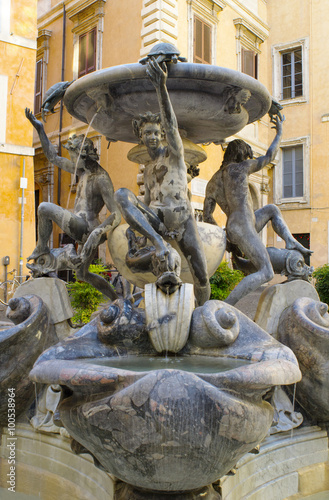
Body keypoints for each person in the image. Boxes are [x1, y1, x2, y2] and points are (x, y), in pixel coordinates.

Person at [114, 58, 210, 305]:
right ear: (141, 136)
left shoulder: (175, 154)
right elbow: (144, 202)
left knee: (201, 274)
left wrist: (161, 88)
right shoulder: (147, 170)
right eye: (148, 134)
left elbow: (171, 122)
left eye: (157, 133)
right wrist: (142, 235)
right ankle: (159, 245)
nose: (153, 137)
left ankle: (204, 313)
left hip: (182, 219)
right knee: (123, 195)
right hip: (158, 223)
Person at [203, 115, 312, 305]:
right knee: (267, 272)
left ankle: (290, 242)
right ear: (240, 156)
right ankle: (225, 306)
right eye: (246, 156)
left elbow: (207, 217)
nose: (247, 160)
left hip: (240, 224)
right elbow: (269, 156)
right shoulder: (240, 168)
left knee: (271, 209)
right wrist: (279, 133)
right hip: (244, 225)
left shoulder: (212, 182)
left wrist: (225, 236)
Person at [25, 108, 121, 299]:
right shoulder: (82, 170)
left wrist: (98, 231)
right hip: (81, 227)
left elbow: (117, 213)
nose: (71, 162)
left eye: (73, 156)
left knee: (44, 207)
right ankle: (116, 300)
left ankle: (42, 247)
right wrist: (41, 130)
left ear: (83, 154)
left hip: (87, 228)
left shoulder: (101, 178)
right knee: (83, 275)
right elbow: (53, 157)